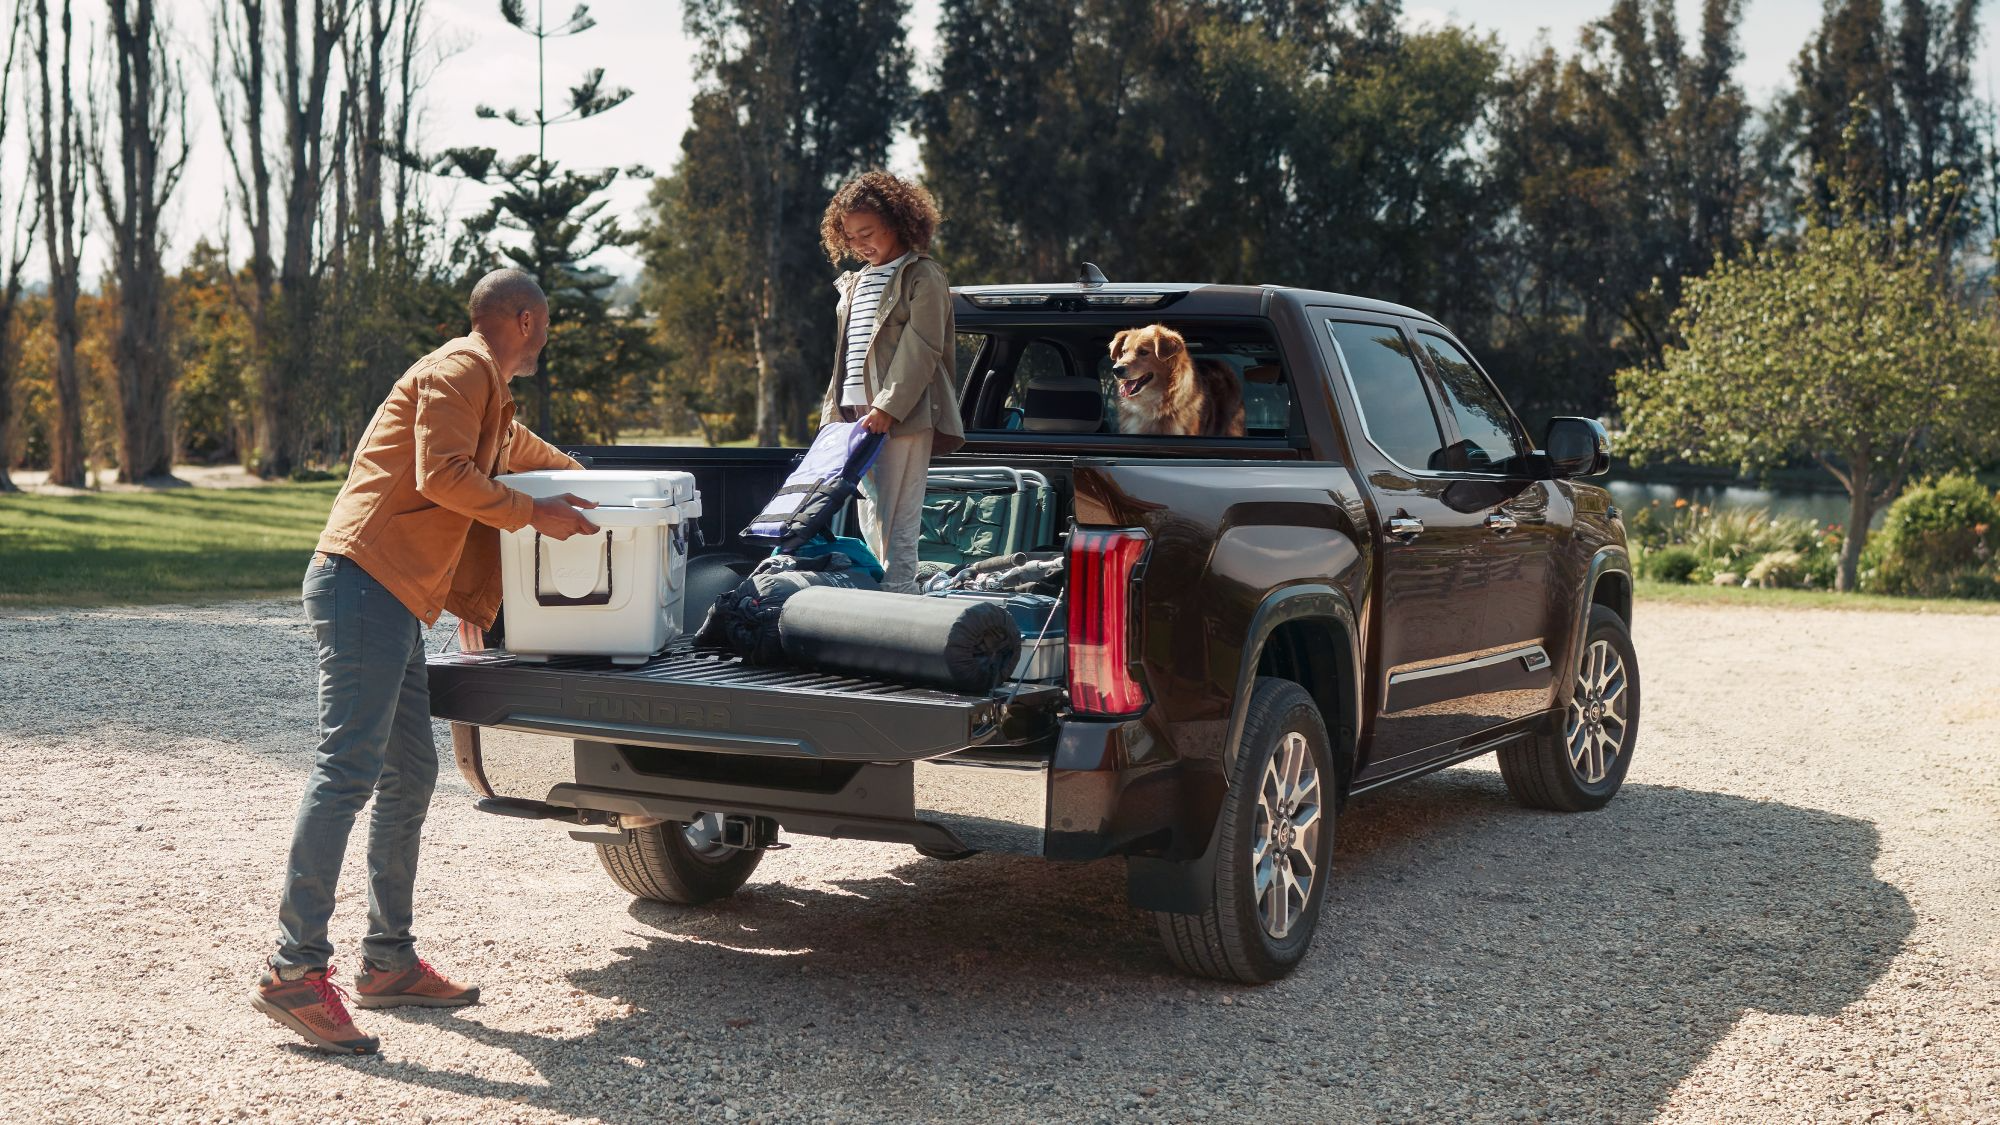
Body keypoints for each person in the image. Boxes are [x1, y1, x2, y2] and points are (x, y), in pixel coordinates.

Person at [252, 269, 601, 1054]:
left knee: (410, 774)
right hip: (361, 581)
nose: (547, 334)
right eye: (545, 323)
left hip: (392, 595)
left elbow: (524, 455)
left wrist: (607, 493)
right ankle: (293, 970)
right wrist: (533, 515)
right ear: (524, 318)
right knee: (346, 768)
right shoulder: (459, 370)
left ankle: (387, 961)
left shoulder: (489, 393)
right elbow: (442, 474)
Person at [817, 170, 965, 593]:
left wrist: (887, 406)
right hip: (855, 416)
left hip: (901, 413)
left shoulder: (923, 275)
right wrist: (835, 415)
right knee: (871, 511)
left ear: (897, 222)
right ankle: (884, 593)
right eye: (851, 238)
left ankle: (899, 595)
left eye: (868, 233)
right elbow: (844, 355)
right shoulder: (856, 280)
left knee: (898, 513)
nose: (861, 244)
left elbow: (921, 347)